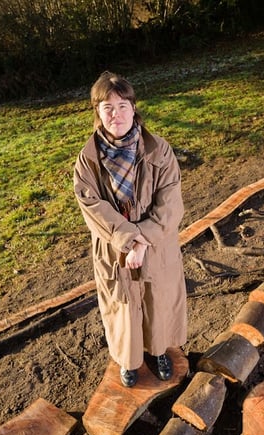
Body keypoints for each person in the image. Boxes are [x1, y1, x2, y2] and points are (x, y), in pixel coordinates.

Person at [73, 71, 188, 388]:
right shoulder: (88, 160)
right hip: (113, 249)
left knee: (158, 299)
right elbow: (92, 205)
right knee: (123, 306)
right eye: (107, 108)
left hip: (156, 245)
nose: (116, 114)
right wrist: (127, 239)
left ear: (133, 108)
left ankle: (160, 351)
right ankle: (128, 359)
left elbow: (171, 203)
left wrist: (143, 241)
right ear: (97, 112)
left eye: (122, 106)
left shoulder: (159, 150)